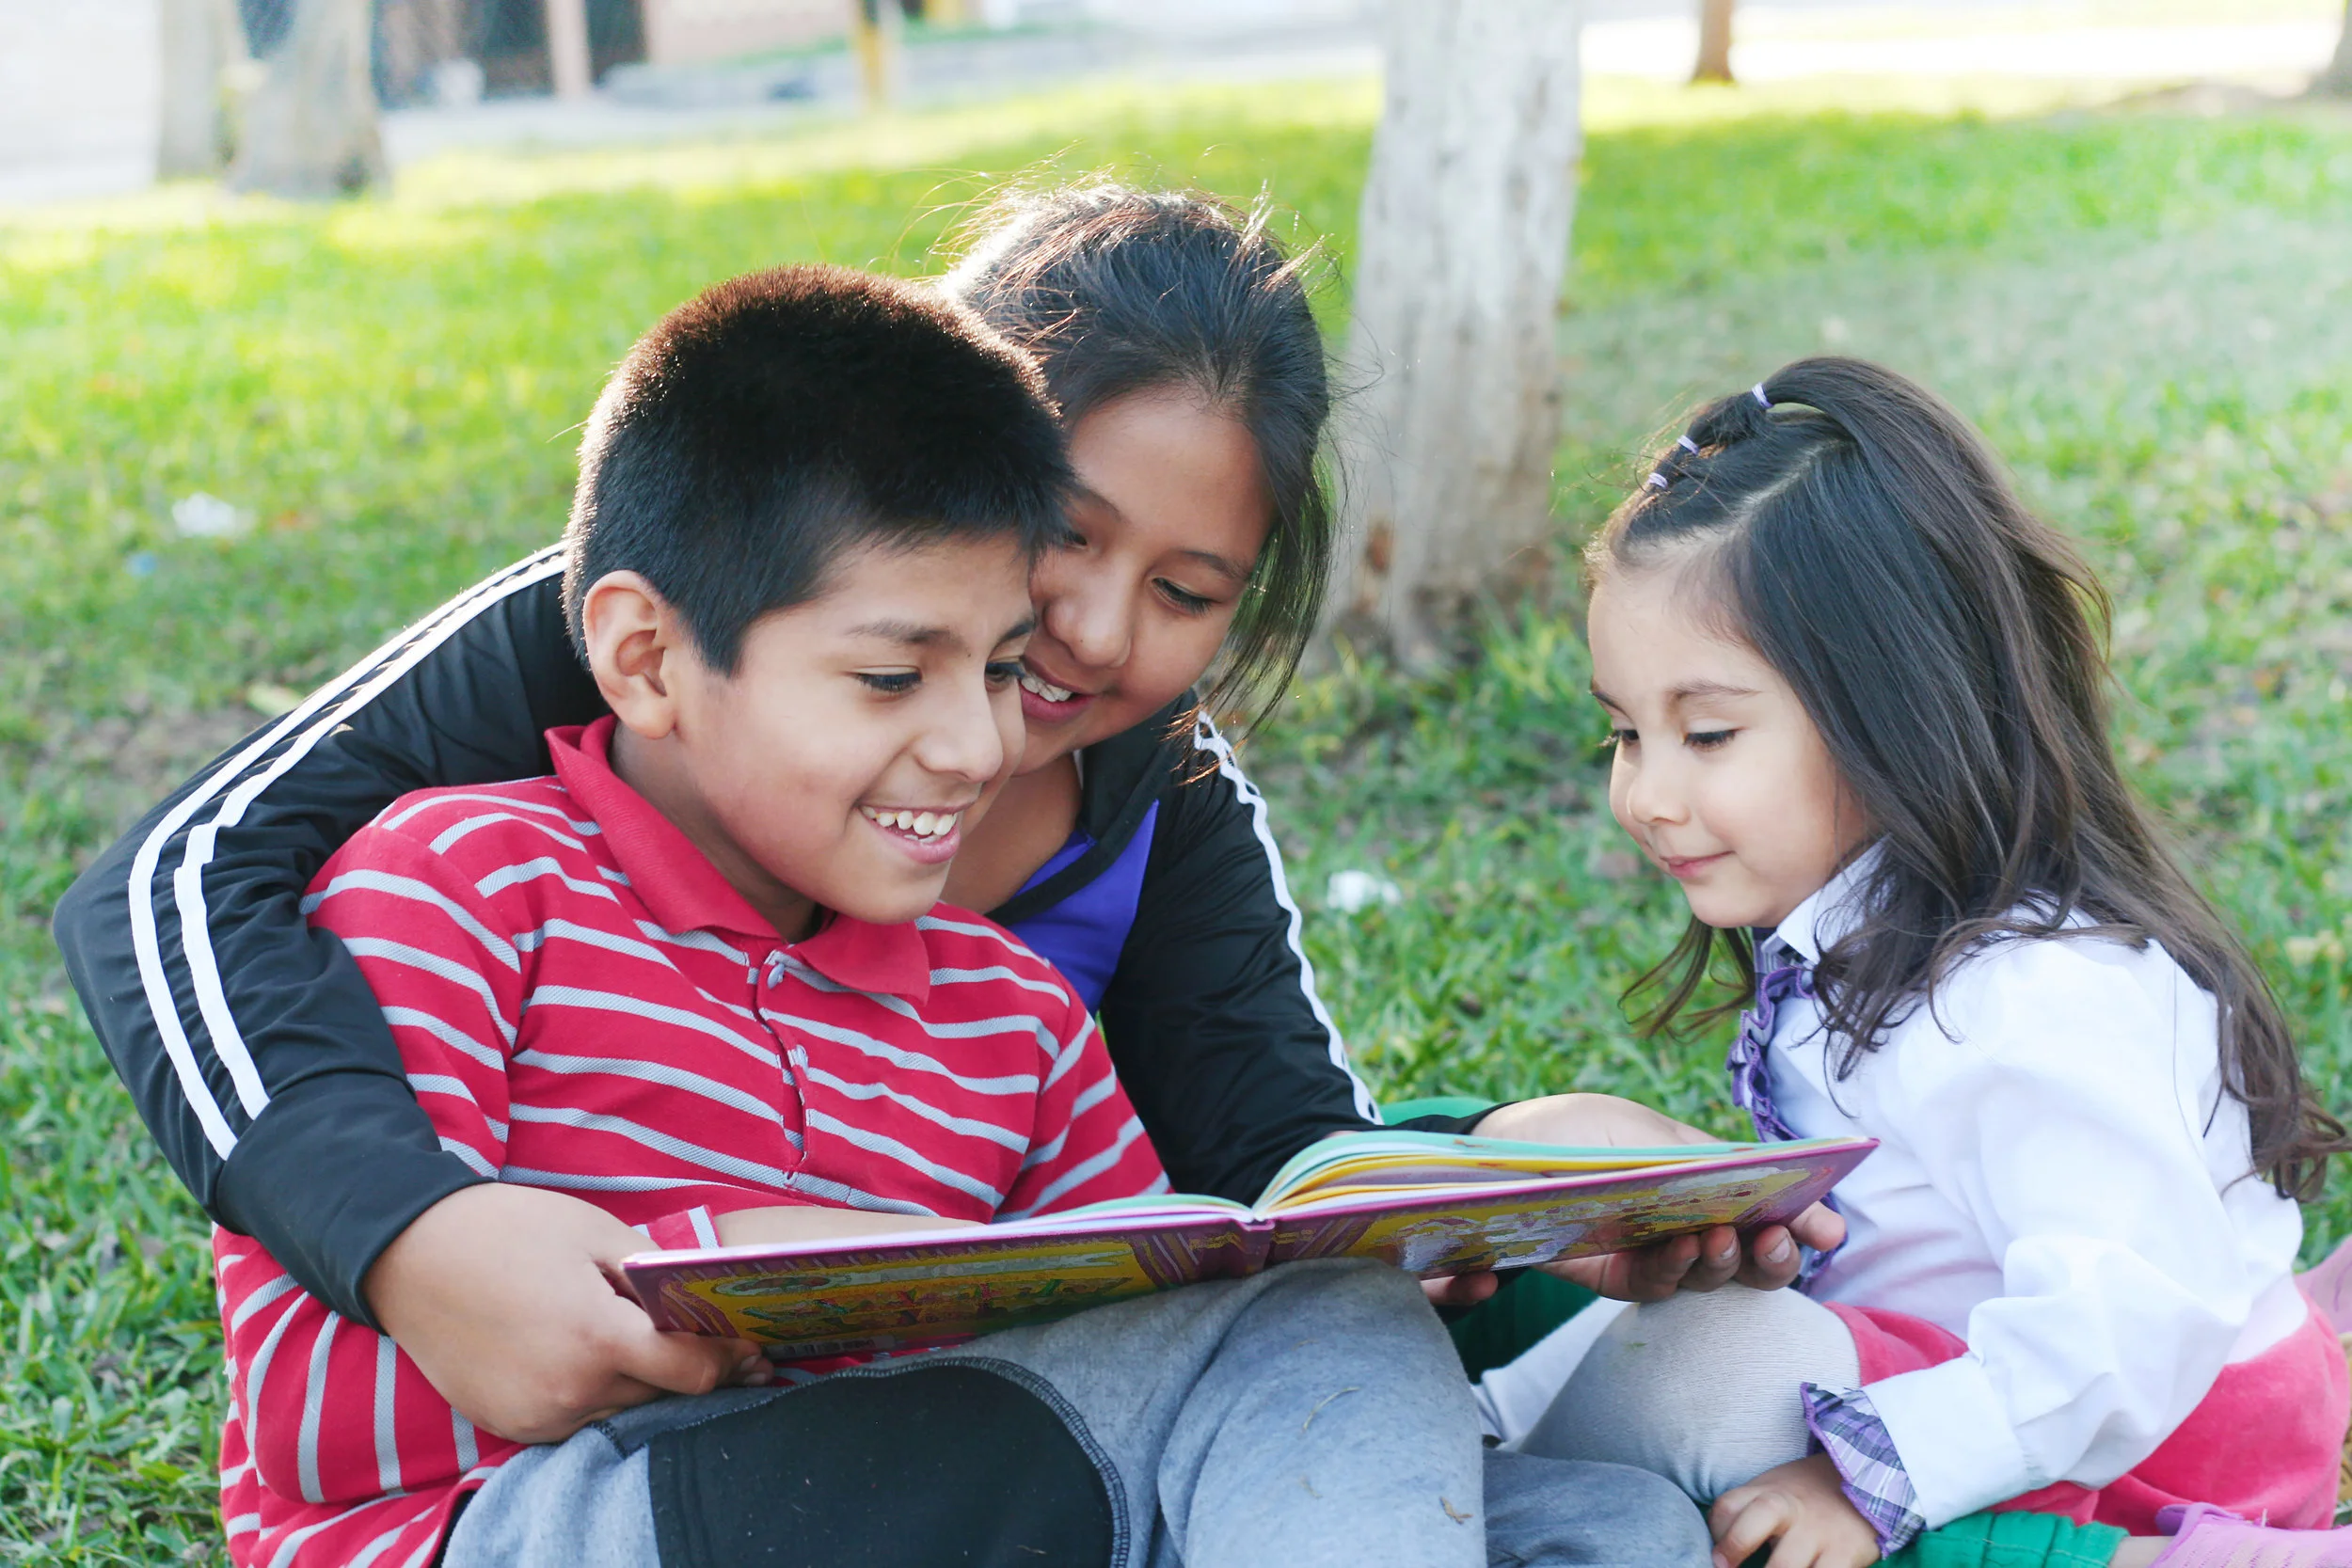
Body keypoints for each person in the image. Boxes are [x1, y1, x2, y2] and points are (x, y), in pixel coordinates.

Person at [54, 182, 1819, 1451]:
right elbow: (172, 881)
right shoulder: (641, 624)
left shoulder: (1167, 801)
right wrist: (406, 1230)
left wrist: (1534, 1212)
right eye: (1064, 529)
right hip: (629, 1335)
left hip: (997, 1338)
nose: (1100, 632)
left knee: (1451, 1241)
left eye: (1192, 588)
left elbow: (1264, 1148)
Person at [1475, 356, 2352, 1568]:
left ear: (1894, 706)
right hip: (1947, 1361)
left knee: (1718, 1362)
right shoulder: (1855, 938)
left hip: (2157, 1439)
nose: (1647, 794)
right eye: (1624, 732)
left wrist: (1868, 1479)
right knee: (1672, 1294)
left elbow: (2121, 1334)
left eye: (1708, 732)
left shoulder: (2037, 990)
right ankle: (1486, 1442)